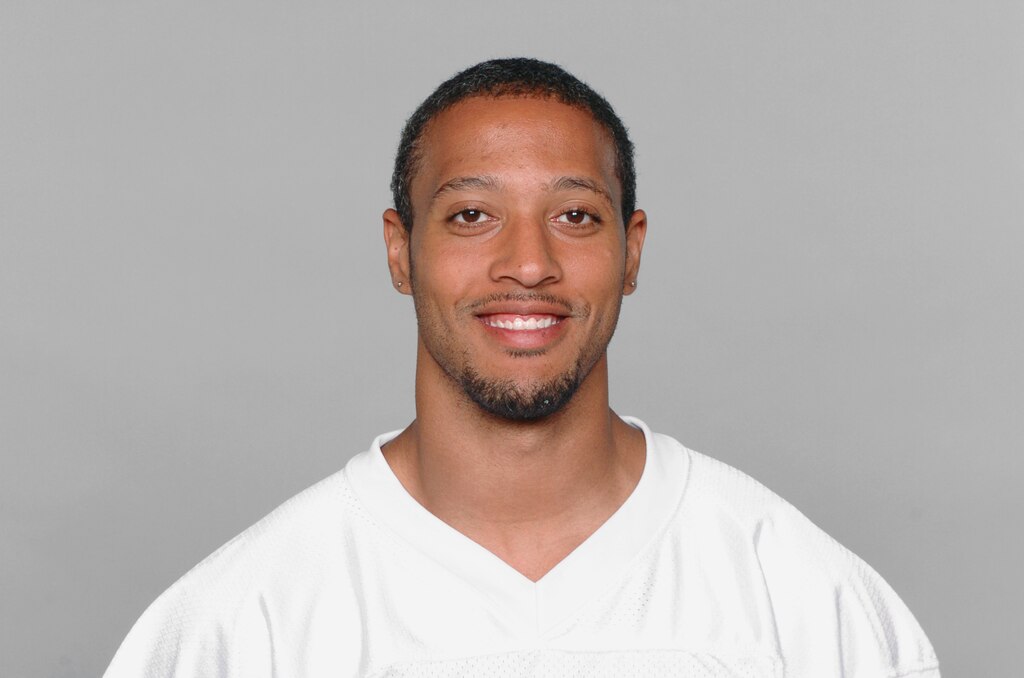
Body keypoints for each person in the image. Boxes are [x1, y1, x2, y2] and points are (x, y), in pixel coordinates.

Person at [104, 58, 940, 678]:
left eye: (575, 215)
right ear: (401, 250)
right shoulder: (243, 623)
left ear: (631, 249)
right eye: (472, 215)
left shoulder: (800, 600)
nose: (529, 263)